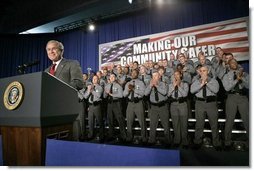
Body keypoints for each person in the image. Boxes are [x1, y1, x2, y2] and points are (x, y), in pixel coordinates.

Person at [44, 40, 83, 141]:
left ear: (61, 51)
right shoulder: (46, 71)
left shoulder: (72, 63)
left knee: (71, 143)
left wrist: (58, 91)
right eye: (48, 49)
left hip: (67, 109)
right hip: (50, 112)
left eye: (54, 49)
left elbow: (78, 83)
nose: (51, 51)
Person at [190, 66, 221, 150]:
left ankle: (216, 142)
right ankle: (197, 141)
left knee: (214, 124)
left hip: (211, 103)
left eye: (204, 71)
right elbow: (192, 91)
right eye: (201, 71)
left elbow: (215, 90)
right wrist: (201, 84)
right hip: (199, 103)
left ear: (208, 71)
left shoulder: (214, 81)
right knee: (199, 124)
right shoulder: (196, 81)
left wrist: (206, 82)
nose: (203, 72)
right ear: (199, 72)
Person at [222, 58, 249, 150]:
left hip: (243, 98)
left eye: (235, 62)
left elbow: (249, 85)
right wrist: (236, 80)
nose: (234, 64)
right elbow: (227, 88)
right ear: (229, 65)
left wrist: (242, 79)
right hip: (231, 98)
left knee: (247, 120)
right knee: (229, 120)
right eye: (232, 62)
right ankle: (227, 142)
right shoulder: (226, 76)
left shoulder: (244, 74)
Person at [145, 71, 170, 145]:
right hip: (153, 107)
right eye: (153, 76)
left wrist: (156, 86)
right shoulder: (149, 84)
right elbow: (145, 93)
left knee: (165, 124)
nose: (154, 77)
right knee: (152, 124)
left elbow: (165, 92)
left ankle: (168, 140)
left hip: (163, 106)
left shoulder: (163, 84)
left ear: (159, 76)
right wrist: (150, 86)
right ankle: (151, 140)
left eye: (156, 76)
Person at [123, 69, 147, 143]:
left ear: (137, 74)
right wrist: (128, 90)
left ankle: (144, 138)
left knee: (142, 121)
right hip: (130, 103)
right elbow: (124, 94)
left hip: (138, 103)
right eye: (132, 73)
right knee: (129, 122)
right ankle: (129, 137)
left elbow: (143, 93)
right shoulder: (128, 83)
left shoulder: (141, 83)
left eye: (135, 73)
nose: (133, 74)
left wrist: (134, 89)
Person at [168, 70, 189, 148]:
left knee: (184, 123)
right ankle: (177, 140)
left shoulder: (185, 84)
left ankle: (185, 141)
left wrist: (178, 86)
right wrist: (173, 87)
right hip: (173, 105)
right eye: (174, 75)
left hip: (182, 104)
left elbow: (185, 94)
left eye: (177, 74)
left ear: (180, 75)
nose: (176, 76)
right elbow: (168, 94)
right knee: (175, 123)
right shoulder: (170, 85)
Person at [104, 73, 126, 142]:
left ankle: (123, 136)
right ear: (109, 78)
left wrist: (111, 94)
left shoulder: (118, 86)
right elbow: (104, 96)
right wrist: (106, 93)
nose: (112, 78)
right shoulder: (107, 86)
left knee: (120, 119)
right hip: (109, 104)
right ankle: (111, 135)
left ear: (115, 78)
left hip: (116, 103)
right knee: (110, 120)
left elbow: (121, 95)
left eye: (113, 76)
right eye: (111, 77)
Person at [83, 75, 104, 142]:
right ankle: (90, 135)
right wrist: (89, 90)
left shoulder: (100, 87)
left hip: (97, 106)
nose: (94, 80)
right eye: (93, 79)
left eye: (96, 79)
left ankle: (101, 136)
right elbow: (85, 97)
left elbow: (98, 96)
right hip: (91, 106)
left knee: (100, 121)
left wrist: (92, 91)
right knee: (90, 122)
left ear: (98, 80)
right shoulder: (89, 87)